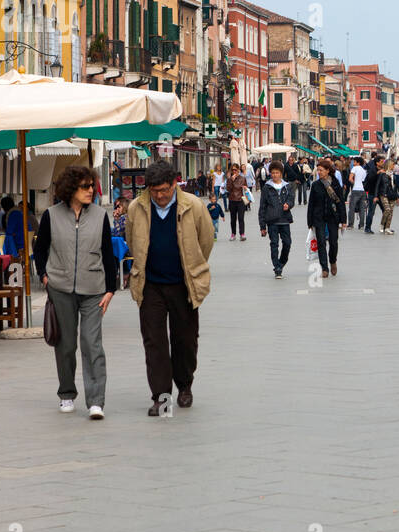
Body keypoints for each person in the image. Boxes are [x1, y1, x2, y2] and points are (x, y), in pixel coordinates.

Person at [125, 160, 214, 417]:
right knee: (154, 343)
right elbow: (133, 241)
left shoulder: (193, 206)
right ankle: (161, 397)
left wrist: (194, 267)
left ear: (174, 184)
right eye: (155, 191)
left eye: (165, 190)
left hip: (183, 283)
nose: (160, 196)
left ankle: (184, 385)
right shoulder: (136, 208)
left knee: (185, 340)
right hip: (150, 285)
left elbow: (205, 240)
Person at [35, 166, 117, 420]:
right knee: (66, 345)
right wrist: (45, 277)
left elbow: (108, 252)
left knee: (92, 345)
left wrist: (111, 289)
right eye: (85, 187)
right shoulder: (51, 215)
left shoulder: (101, 216)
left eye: (92, 186)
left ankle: (96, 401)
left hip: (94, 290)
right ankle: (67, 394)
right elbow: (40, 250)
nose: (91, 190)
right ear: (71, 189)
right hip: (60, 288)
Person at [258, 160, 294, 279]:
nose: (274, 175)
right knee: (274, 244)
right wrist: (262, 226)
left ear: (281, 174)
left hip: (284, 219)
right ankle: (277, 268)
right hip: (272, 220)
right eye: (273, 173)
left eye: (277, 173)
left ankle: (281, 262)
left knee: (287, 243)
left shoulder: (287, 186)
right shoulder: (267, 188)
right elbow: (262, 207)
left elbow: (291, 199)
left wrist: (288, 204)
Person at [309, 159, 344, 276]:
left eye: (321, 170)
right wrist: (310, 221)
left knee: (333, 242)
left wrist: (343, 220)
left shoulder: (335, 184)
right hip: (319, 217)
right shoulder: (315, 185)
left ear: (328, 171)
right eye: (318, 170)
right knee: (321, 242)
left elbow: (340, 202)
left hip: (333, 217)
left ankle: (333, 261)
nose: (319, 172)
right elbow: (311, 204)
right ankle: (324, 268)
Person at [226, 164, 249, 241]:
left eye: (235, 169)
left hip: (240, 200)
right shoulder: (229, 179)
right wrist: (232, 181)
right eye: (232, 170)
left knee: (241, 218)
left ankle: (242, 234)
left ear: (238, 170)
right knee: (233, 219)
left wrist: (246, 189)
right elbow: (228, 189)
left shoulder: (243, 178)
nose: (234, 171)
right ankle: (233, 234)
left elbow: (246, 188)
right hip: (232, 200)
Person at [362, 154, 384, 234]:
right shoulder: (373, 170)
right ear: (377, 163)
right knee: (371, 211)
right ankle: (367, 228)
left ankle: (385, 227)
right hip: (372, 194)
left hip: (380, 194)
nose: (383, 163)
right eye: (381, 162)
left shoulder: (382, 169)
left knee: (385, 210)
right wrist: (377, 173)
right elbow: (370, 179)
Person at [376, 159, 397, 235]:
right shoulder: (382, 174)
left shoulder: (393, 175)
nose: (393, 166)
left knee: (391, 212)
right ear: (388, 165)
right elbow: (377, 185)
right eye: (392, 165)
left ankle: (387, 228)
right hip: (383, 194)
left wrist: (397, 196)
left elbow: (394, 186)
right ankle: (382, 225)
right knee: (387, 210)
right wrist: (376, 196)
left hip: (391, 195)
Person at [347, 157, 368, 229]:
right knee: (362, 208)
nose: (353, 163)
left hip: (355, 189)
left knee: (352, 207)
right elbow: (364, 180)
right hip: (362, 190)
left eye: (354, 162)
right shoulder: (363, 170)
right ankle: (361, 225)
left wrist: (354, 183)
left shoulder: (354, 168)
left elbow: (350, 178)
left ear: (358, 163)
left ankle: (350, 224)